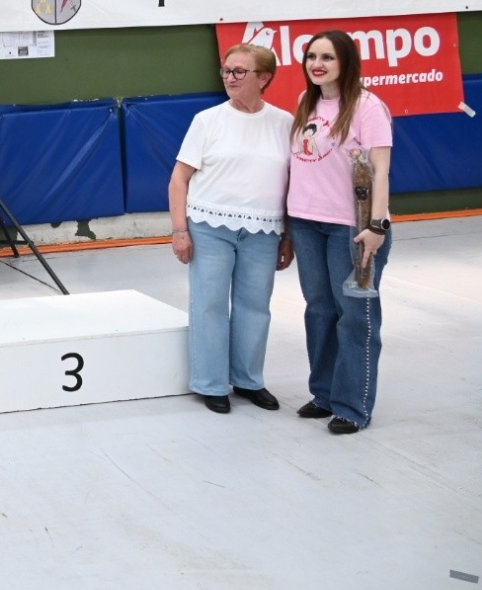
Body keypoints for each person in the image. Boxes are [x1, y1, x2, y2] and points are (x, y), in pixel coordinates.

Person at [167, 43, 295, 414]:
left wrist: (288, 235)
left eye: (240, 71)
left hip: (264, 232)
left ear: (264, 77)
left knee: (255, 307)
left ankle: (249, 380)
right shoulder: (207, 121)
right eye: (227, 70)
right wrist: (180, 230)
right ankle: (210, 384)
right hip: (209, 227)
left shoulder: (284, 123)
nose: (230, 77)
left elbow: (291, 184)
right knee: (209, 305)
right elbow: (179, 179)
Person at [286, 29, 394, 434]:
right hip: (306, 223)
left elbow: (380, 170)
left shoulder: (367, 106)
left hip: (352, 228)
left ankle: (352, 405)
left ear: (345, 62)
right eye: (312, 56)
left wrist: (377, 225)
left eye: (327, 57)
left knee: (355, 316)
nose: (318, 64)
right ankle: (325, 394)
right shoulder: (306, 100)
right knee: (319, 310)